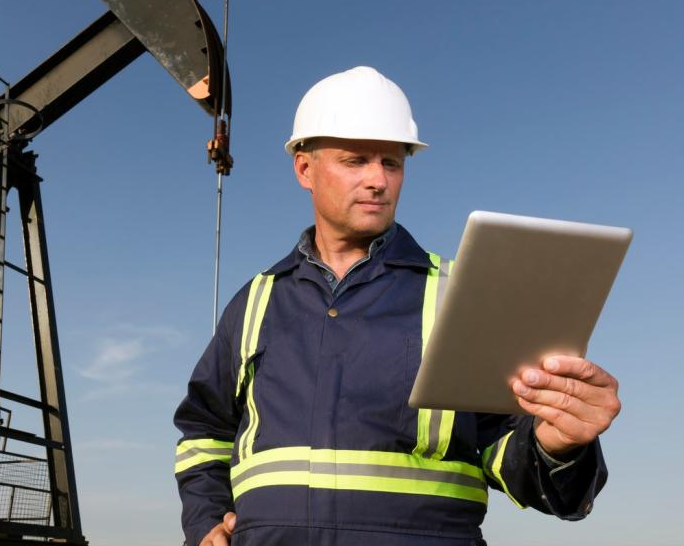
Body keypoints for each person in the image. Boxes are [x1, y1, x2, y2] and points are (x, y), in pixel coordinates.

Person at [173, 66, 621, 546]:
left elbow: (507, 448)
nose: (378, 181)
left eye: (392, 162)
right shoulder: (256, 301)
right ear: (305, 169)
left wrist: (560, 445)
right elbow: (204, 432)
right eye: (356, 160)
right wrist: (205, 522)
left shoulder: (460, 294)